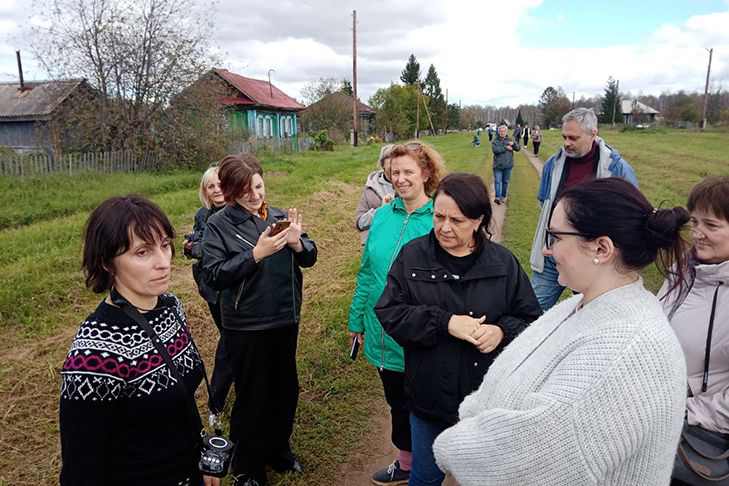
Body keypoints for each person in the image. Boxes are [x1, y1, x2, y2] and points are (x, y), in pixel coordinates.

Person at [433, 177, 689, 486]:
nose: (546, 249)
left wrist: (453, 452)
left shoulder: (626, 352)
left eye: (555, 237)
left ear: (601, 248)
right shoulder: (581, 305)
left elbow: (529, 460)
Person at [375, 173, 542, 486]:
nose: (444, 227)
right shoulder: (413, 256)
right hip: (430, 402)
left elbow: (532, 320)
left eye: (457, 220)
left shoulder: (503, 263)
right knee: (425, 478)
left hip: (486, 403)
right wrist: (445, 322)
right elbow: (390, 312)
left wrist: (501, 332)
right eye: (439, 216)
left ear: (478, 221)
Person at [60, 195, 220, 486]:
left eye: (164, 245)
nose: (163, 262)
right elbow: (81, 468)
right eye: (142, 252)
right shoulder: (93, 355)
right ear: (107, 262)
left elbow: (181, 400)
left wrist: (203, 459)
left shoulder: (170, 307)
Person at [202, 154, 317, 486]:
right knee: (253, 396)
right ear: (229, 191)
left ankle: (279, 451)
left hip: (285, 318)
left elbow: (310, 257)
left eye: (258, 186)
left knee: (285, 390)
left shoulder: (280, 216)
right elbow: (214, 275)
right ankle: (248, 467)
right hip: (246, 324)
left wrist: (297, 242)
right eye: (244, 190)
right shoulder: (218, 225)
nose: (254, 196)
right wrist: (255, 254)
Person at [347, 141, 446, 485]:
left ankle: (434, 464)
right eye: (395, 172)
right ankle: (406, 463)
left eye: (408, 172)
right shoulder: (383, 216)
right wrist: (357, 318)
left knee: (425, 404)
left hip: (420, 332)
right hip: (378, 328)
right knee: (396, 401)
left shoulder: (438, 220)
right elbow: (366, 270)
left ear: (426, 174)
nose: (400, 178)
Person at [529, 107, 638, 311]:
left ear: (593, 134)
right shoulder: (553, 164)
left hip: (593, 259)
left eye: (573, 138)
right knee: (533, 310)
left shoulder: (616, 169)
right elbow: (544, 203)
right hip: (552, 253)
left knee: (590, 314)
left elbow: (631, 217)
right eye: (564, 137)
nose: (566, 143)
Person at [657, 177, 729, 482]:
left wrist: (687, 411)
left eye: (711, 226)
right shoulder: (682, 272)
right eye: (695, 222)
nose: (698, 234)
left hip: (698, 439)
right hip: (657, 419)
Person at [183, 165, 232, 416]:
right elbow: (196, 244)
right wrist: (193, 246)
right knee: (229, 336)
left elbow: (203, 247)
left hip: (233, 285)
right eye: (210, 186)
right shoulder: (203, 215)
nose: (216, 190)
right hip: (211, 287)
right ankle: (219, 398)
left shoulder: (237, 211)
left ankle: (217, 399)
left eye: (220, 184)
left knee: (230, 340)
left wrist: (195, 247)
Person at [355, 144, 396, 245]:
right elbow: (360, 223)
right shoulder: (371, 189)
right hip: (377, 244)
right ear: (382, 164)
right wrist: (381, 210)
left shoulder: (408, 185)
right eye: (390, 160)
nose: (394, 166)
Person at [491, 124, 520, 205]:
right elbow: (495, 150)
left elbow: (518, 148)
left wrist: (513, 144)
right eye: (500, 131)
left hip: (508, 165)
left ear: (506, 131)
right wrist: (505, 148)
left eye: (503, 131)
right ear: (498, 132)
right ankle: (497, 197)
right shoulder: (495, 141)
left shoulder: (510, 139)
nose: (502, 132)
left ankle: (503, 196)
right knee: (497, 181)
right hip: (498, 166)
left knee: (505, 182)